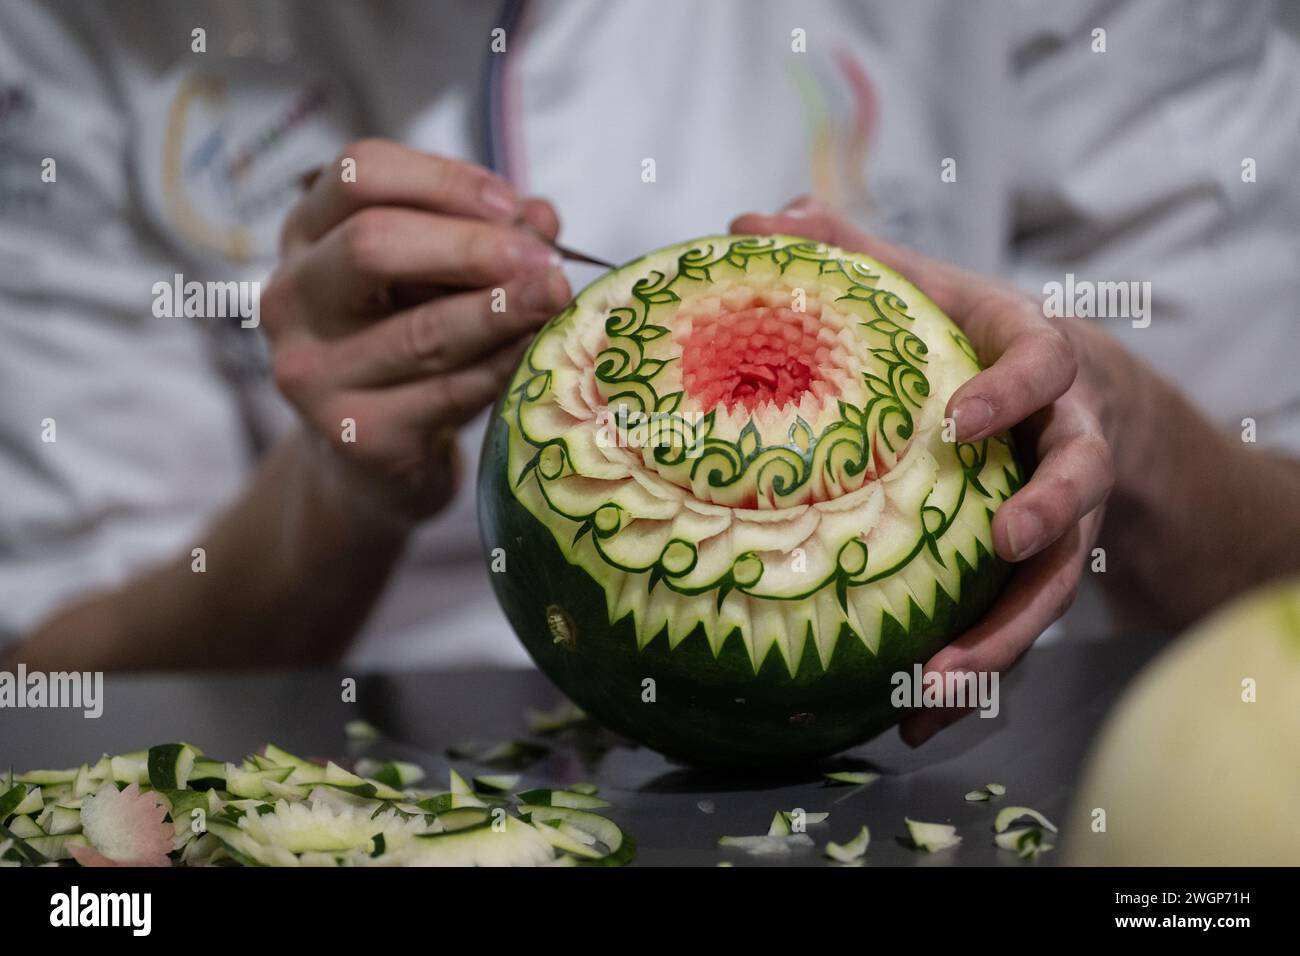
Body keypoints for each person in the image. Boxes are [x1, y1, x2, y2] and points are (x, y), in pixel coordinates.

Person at [2, 2, 1297, 742]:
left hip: (995, 754)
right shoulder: (70, 37)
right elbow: (46, 689)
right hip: (399, 771)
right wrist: (334, 501)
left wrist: (1115, 429)